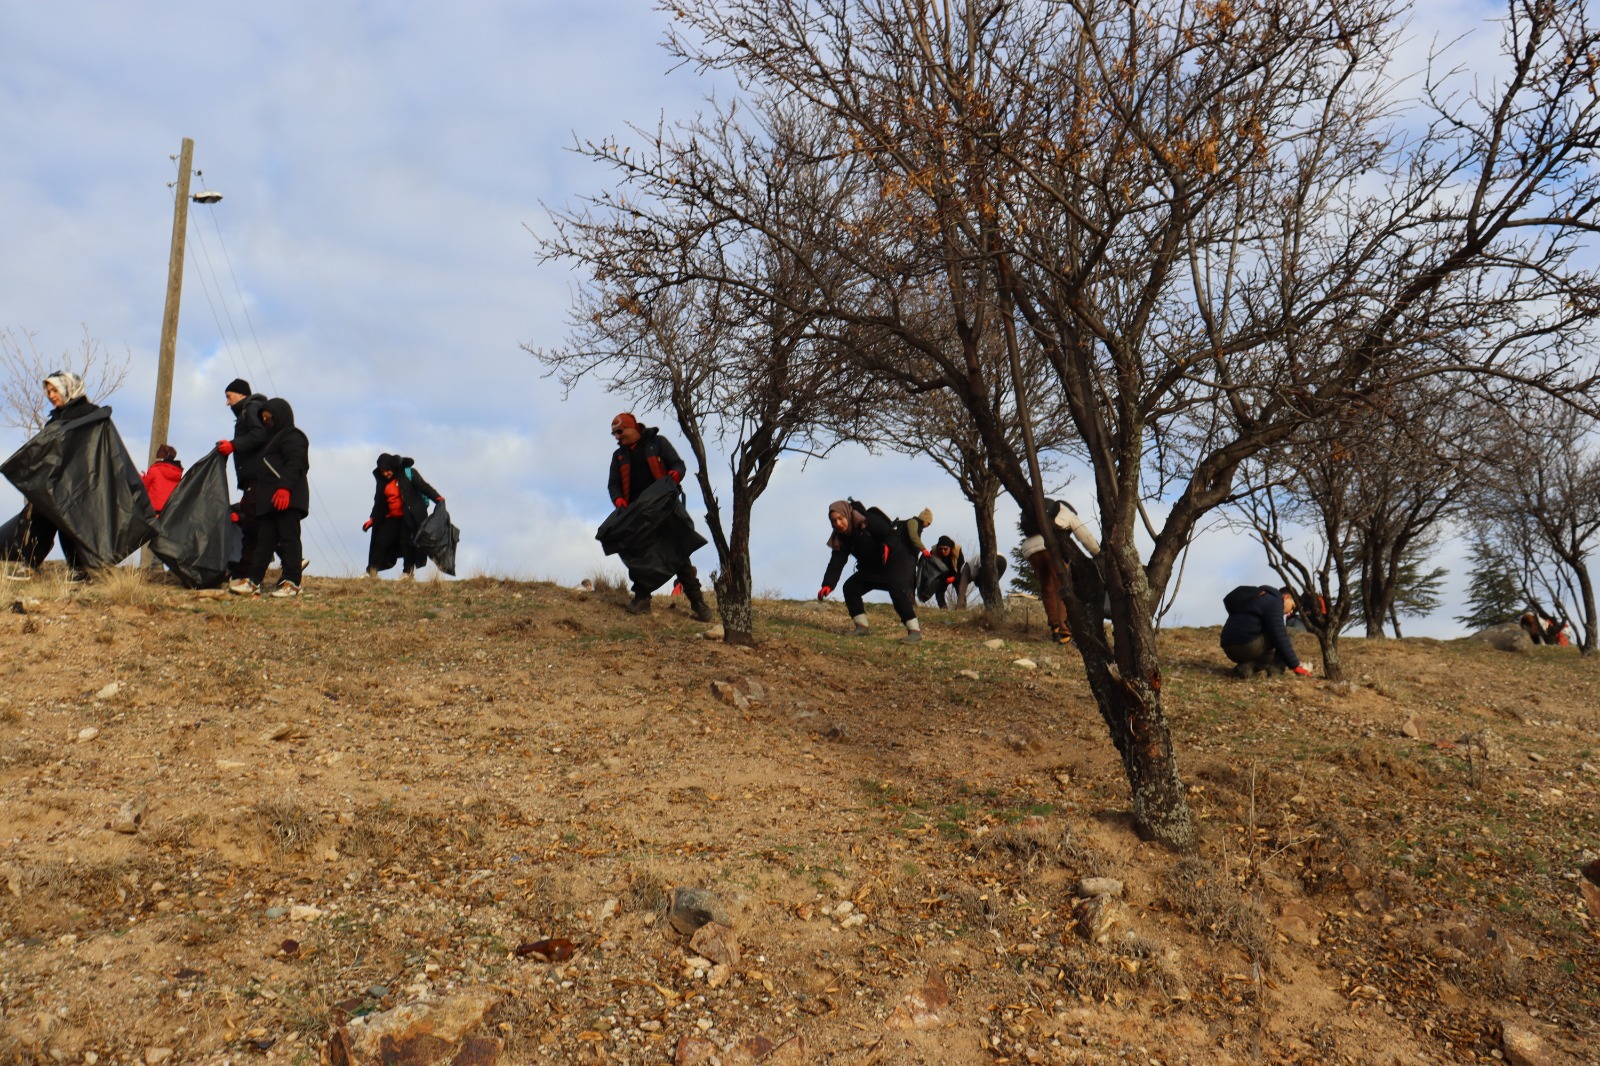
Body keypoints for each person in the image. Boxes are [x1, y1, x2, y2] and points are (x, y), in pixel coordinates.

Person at [607, 412, 712, 620]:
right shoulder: (618, 456)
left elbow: (678, 465)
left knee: (679, 554)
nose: (617, 436)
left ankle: (697, 602)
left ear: (633, 427)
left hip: (665, 508)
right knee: (638, 555)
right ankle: (642, 599)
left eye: (620, 431)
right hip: (638, 514)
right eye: (614, 434)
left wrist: (673, 477)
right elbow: (613, 484)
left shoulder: (658, 443)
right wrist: (619, 501)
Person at [9, 371, 101, 580]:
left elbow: (95, 449)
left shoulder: (91, 414)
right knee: (38, 517)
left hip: (78, 481)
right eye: (48, 391)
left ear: (69, 388)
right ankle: (29, 564)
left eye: (55, 390)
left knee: (71, 523)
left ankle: (79, 569)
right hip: (53, 480)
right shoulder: (55, 420)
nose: (51, 395)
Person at [229, 398, 308, 598]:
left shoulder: (293, 435)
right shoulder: (271, 440)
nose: (266, 421)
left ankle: (292, 583)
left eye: (269, 417)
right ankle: (253, 581)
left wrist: (285, 489)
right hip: (270, 502)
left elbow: (296, 463)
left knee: (289, 539)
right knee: (264, 542)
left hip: (287, 499)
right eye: (263, 418)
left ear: (280, 416)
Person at [818, 499, 922, 643]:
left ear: (847, 514)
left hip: (895, 561)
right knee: (850, 587)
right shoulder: (840, 537)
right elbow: (836, 562)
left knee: (896, 589)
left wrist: (887, 546)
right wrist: (827, 585)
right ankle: (861, 627)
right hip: (872, 567)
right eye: (834, 521)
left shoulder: (868, 521)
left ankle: (914, 631)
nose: (838, 524)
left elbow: (891, 535)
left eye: (840, 519)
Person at [1020, 498, 1100, 644]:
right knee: (1061, 586)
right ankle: (1065, 632)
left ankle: (1055, 628)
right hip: (1050, 546)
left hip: (1030, 549)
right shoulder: (1067, 513)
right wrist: (1098, 553)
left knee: (1047, 587)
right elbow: (1085, 536)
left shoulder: (1043, 508)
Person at [215, 379, 270, 580]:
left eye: (229, 397)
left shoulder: (252, 408)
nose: (227, 403)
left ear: (240, 395)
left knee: (253, 524)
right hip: (252, 479)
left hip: (257, 478)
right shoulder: (248, 411)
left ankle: (249, 572)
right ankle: (243, 572)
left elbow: (259, 435)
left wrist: (234, 445)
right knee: (252, 524)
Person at [363, 453, 443, 578]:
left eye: (387, 470)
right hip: (392, 518)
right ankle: (371, 571)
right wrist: (372, 518)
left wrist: (437, 498)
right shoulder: (382, 482)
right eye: (382, 471)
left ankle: (407, 573)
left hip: (408, 516)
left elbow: (424, 487)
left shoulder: (407, 474)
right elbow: (378, 502)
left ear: (392, 467)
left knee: (407, 543)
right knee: (380, 541)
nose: (385, 474)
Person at [1220, 585, 1313, 678]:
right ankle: (1276, 673)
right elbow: (1280, 635)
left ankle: (1243, 670)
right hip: (1245, 646)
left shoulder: (1257, 597)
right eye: (1292, 607)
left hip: (1228, 647)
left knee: (1269, 655)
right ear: (1287, 597)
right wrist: (1295, 666)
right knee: (1289, 631)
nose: (1291, 612)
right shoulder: (1275, 601)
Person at [142, 444, 184, 514]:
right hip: (169, 513)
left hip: (153, 513)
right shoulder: (178, 474)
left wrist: (142, 478)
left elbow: (143, 488)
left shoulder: (154, 470)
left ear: (160, 458)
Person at [928, 535, 964, 608]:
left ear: (950, 548)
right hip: (942, 574)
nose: (943, 551)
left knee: (960, 587)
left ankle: (962, 607)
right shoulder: (933, 552)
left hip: (955, 573)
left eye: (945, 549)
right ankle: (943, 607)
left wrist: (954, 578)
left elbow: (962, 569)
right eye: (940, 549)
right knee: (938, 589)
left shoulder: (957, 551)